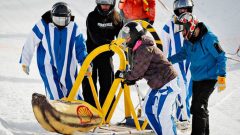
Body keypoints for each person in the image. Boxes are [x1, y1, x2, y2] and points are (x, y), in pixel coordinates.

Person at [116, 21, 180, 135]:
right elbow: (139, 70)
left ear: (135, 36)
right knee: (148, 110)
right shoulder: (138, 47)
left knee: (163, 114)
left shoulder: (144, 49)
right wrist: (130, 78)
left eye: (127, 37)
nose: (125, 40)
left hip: (167, 81)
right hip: (157, 83)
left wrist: (125, 75)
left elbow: (138, 71)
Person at [168, 12, 227, 135]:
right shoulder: (188, 40)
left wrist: (222, 76)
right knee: (198, 108)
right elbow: (183, 54)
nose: (182, 33)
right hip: (197, 78)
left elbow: (221, 56)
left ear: (191, 26)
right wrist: (168, 60)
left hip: (210, 77)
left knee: (198, 106)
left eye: (183, 29)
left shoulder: (209, 38)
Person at [19, 2, 90, 100]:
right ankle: (55, 106)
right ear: (52, 17)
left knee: (73, 88)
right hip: (47, 63)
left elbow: (80, 48)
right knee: (53, 89)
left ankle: (77, 108)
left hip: (68, 63)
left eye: (64, 20)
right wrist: (25, 62)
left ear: (69, 17)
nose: (61, 23)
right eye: (57, 20)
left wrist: (85, 63)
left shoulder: (74, 27)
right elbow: (30, 41)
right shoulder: (43, 24)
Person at [82, 0, 123, 118]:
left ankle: (106, 115)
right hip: (92, 55)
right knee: (89, 84)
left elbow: (121, 37)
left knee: (108, 85)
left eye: (107, 4)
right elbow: (96, 38)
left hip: (106, 57)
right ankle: (90, 114)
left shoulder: (117, 17)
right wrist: (113, 43)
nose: (105, 6)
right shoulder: (92, 16)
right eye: (102, 3)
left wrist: (120, 43)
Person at [161, 0, 194, 129]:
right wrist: (163, 62)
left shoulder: (196, 22)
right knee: (181, 89)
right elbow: (164, 45)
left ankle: (182, 115)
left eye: (186, 9)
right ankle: (183, 119)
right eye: (181, 9)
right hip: (176, 62)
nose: (184, 11)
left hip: (192, 63)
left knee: (189, 90)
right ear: (176, 10)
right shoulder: (169, 25)